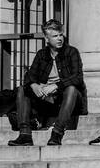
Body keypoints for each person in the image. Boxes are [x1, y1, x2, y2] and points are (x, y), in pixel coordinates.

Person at [7, 19, 87, 147]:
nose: (59, 39)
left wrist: (56, 86)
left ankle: (57, 134)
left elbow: (78, 77)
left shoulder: (71, 52)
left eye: (60, 35)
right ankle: (25, 134)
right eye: (55, 36)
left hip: (67, 99)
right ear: (46, 38)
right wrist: (34, 85)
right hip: (48, 100)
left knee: (71, 89)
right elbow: (29, 76)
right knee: (23, 89)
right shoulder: (41, 55)